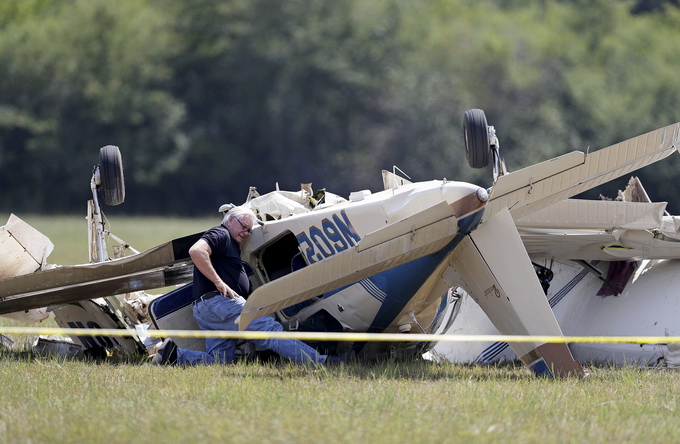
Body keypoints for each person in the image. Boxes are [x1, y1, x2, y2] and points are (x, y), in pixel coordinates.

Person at [153, 206, 330, 365]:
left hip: (209, 308)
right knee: (270, 330)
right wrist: (219, 282)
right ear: (230, 219)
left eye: (249, 230)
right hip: (219, 303)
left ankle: (174, 355)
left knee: (220, 361)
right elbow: (196, 251)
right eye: (243, 226)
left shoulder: (230, 242)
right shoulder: (220, 234)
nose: (245, 232)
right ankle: (320, 362)